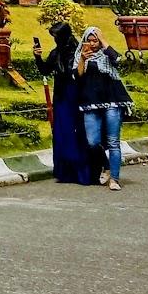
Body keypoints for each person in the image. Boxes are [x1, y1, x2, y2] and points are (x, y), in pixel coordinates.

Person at [35, 24, 102, 186]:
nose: (56, 40)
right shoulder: (56, 53)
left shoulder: (79, 52)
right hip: (61, 96)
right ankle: (65, 172)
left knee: (79, 133)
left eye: (57, 36)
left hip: (77, 96)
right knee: (63, 132)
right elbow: (45, 70)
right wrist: (37, 57)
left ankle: (84, 172)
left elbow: (82, 74)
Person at [76, 25, 133, 191]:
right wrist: (82, 59)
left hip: (112, 100)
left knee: (113, 141)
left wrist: (104, 41)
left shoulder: (107, 54)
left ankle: (114, 179)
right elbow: (76, 77)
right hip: (90, 101)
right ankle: (106, 165)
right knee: (92, 141)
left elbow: (118, 60)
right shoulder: (80, 55)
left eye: (96, 41)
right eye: (90, 40)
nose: (93, 44)